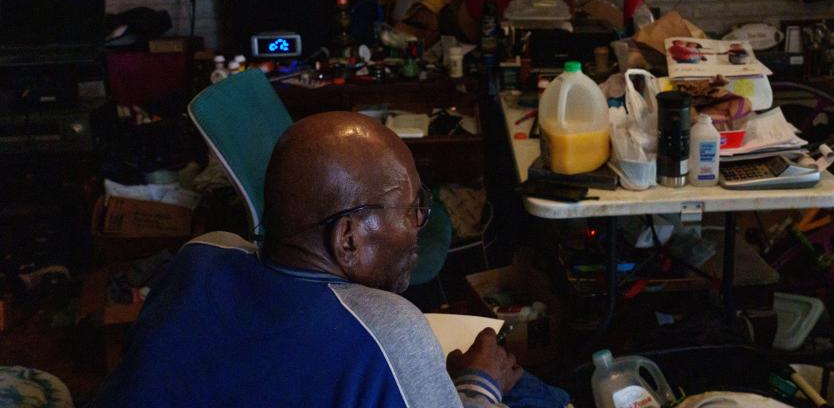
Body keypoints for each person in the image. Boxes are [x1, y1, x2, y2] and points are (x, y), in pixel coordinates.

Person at [91, 112, 568, 407]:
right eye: (410, 210)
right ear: (348, 237)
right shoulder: (387, 328)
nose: (419, 224)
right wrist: (479, 384)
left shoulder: (202, 254)